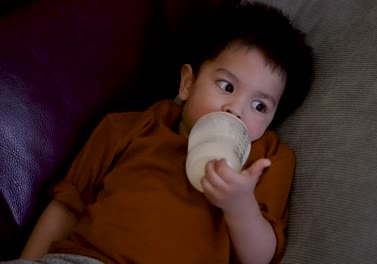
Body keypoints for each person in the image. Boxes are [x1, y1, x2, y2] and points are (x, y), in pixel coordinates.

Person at [13, 2, 313, 264]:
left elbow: (261, 257)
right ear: (187, 84)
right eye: (227, 86)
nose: (237, 109)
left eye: (259, 106)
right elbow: (67, 206)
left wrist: (240, 205)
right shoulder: (125, 128)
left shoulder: (268, 160)